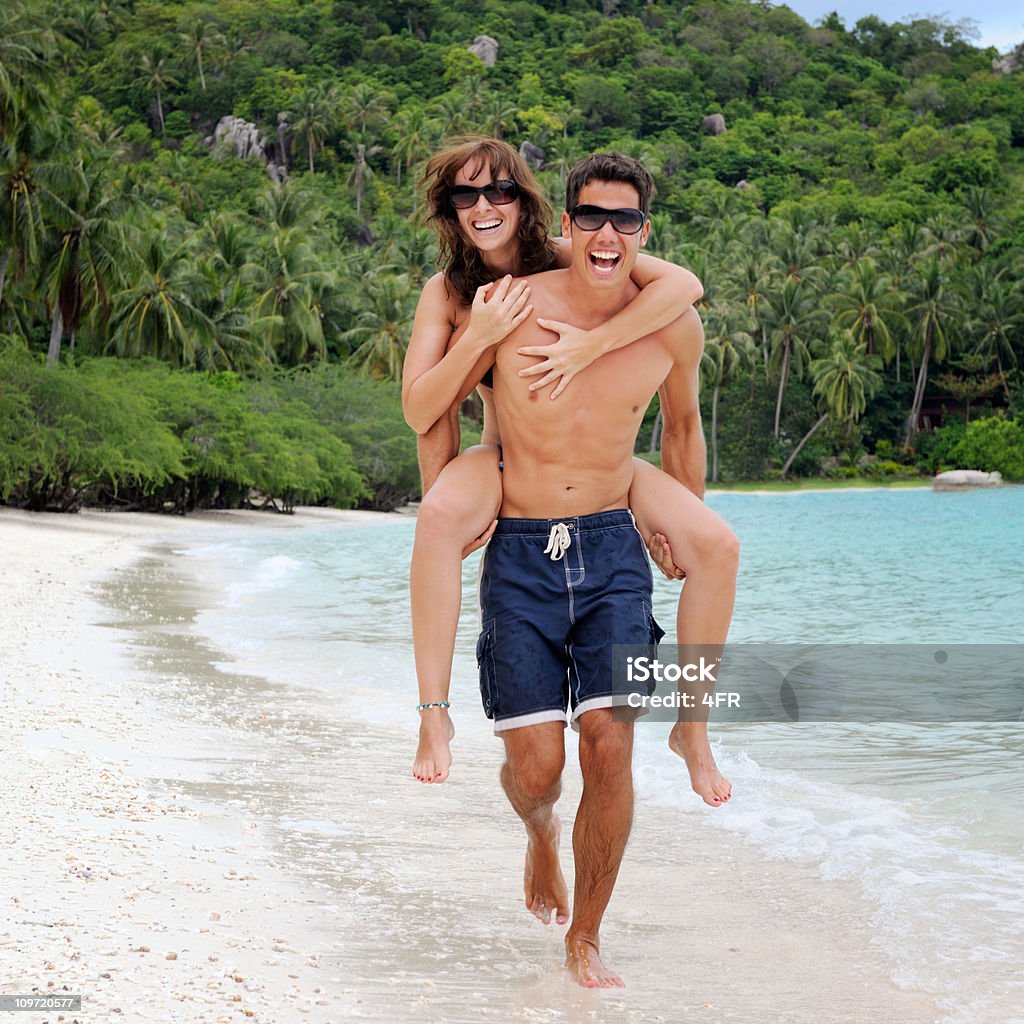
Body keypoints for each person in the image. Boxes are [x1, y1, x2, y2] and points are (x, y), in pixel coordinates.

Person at [469, 152, 739, 988]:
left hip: (616, 545)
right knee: (537, 769)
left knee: (610, 748)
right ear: (566, 224)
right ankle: (537, 831)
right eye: (592, 217)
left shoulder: (672, 325)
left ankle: (586, 935)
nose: (608, 234)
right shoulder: (515, 303)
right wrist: (456, 497)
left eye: (625, 221)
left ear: (644, 232)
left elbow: (684, 428)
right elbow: (454, 406)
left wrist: (671, 526)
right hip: (524, 549)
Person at [402, 138, 735, 809]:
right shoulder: (448, 292)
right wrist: (481, 333)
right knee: (437, 519)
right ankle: (434, 714)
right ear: (450, 209)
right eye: (466, 195)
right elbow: (424, 413)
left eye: (498, 191)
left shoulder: (571, 254)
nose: (484, 206)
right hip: (505, 457)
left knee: (718, 546)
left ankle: (693, 730)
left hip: (610, 466)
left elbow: (684, 292)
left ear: (526, 202)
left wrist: (593, 344)